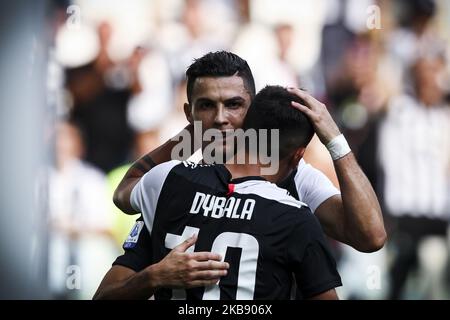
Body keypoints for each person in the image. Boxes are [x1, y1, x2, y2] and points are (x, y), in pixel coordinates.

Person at [95, 51, 385, 299]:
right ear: (189, 113)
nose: (220, 118)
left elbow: (370, 236)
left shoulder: (296, 177)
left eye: (233, 104)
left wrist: (336, 141)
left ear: (254, 108)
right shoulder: (171, 183)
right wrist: (151, 278)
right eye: (206, 106)